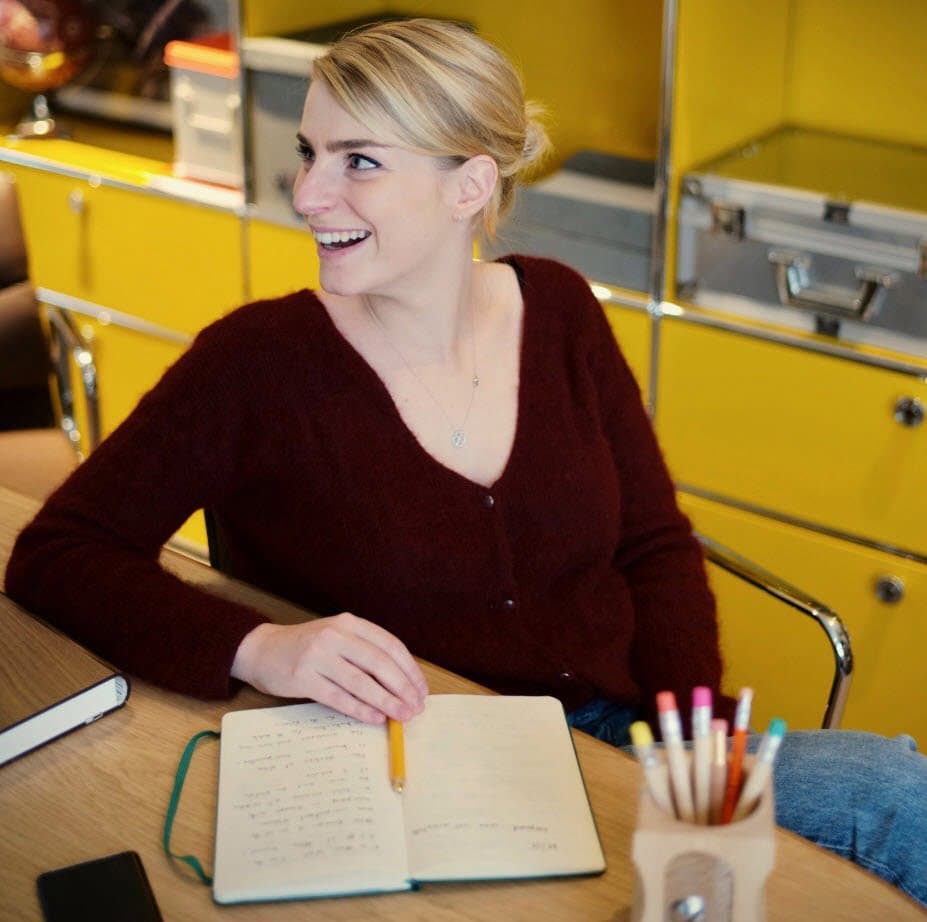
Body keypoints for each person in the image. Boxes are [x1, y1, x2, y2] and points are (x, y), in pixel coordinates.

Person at [6, 18, 926, 908]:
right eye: (310, 152)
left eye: (358, 160)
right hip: (404, 762)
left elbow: (652, 544)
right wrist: (264, 646)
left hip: (615, 737)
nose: (308, 193)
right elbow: (59, 553)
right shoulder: (254, 364)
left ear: (468, 185)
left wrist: (691, 747)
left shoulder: (560, 310)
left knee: (894, 794)